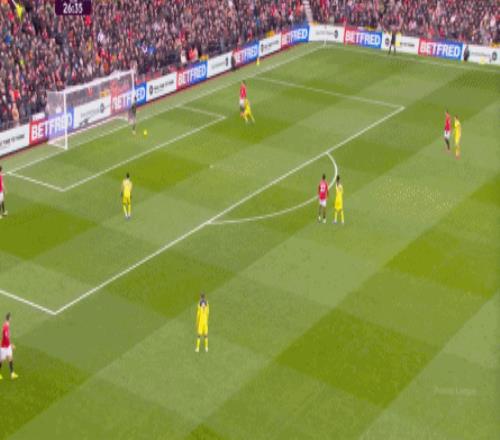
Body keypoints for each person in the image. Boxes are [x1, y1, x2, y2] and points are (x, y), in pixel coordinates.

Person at [0, 313, 18, 380]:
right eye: (11, 317)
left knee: (10, 358)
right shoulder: (6, 327)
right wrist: (11, 345)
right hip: (4, 347)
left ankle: (12, 374)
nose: (11, 319)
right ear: (9, 318)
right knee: (2, 360)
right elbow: (6, 338)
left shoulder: (6, 325)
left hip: (7, 346)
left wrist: (9, 345)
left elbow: (5, 336)